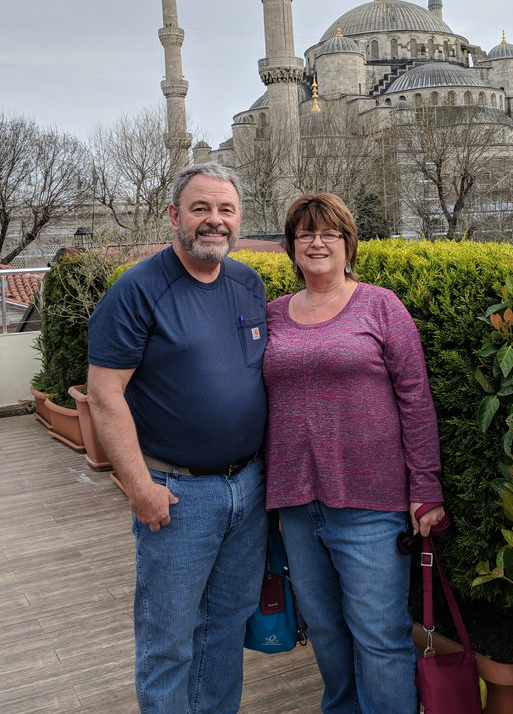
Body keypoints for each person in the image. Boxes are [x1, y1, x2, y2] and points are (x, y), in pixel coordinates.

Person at [86, 163, 268, 714]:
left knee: (225, 631)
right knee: (168, 643)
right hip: (176, 495)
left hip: (249, 490)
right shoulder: (138, 288)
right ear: (174, 216)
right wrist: (137, 485)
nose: (214, 221)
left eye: (226, 210)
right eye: (200, 209)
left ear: (238, 220)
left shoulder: (249, 283)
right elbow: (104, 393)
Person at [263, 192, 445, 714]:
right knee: (324, 631)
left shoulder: (380, 306)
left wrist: (426, 487)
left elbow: (416, 399)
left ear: (348, 244)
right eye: (305, 234)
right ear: (291, 247)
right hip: (298, 505)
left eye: (329, 234)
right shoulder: (271, 315)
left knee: (381, 638)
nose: (317, 242)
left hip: (372, 503)